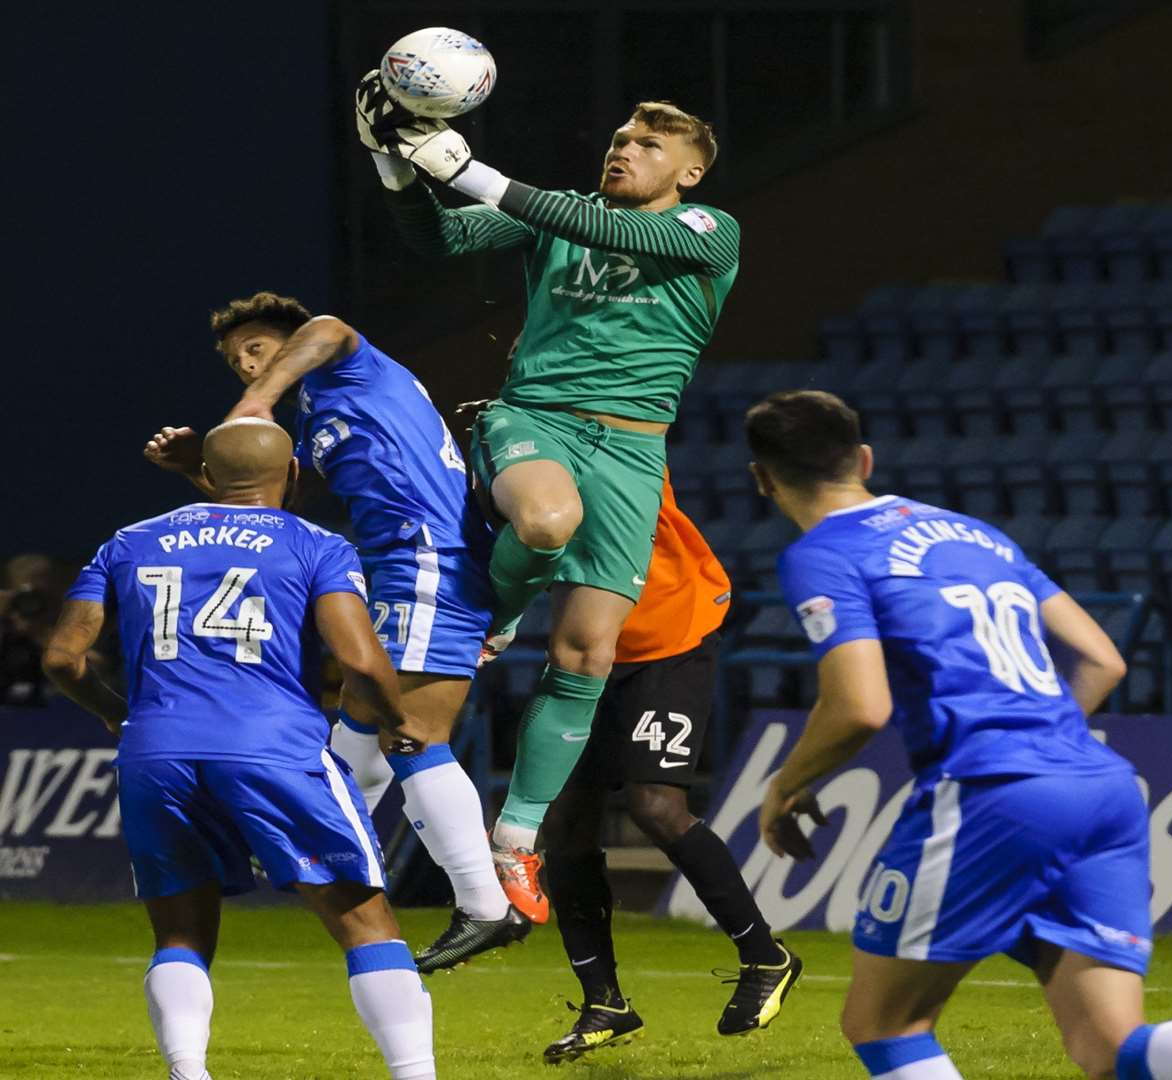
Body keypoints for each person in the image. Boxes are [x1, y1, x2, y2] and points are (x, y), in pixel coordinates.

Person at [748, 390, 1172, 1080]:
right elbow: (1104, 659)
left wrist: (786, 783)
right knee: (1108, 1048)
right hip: (1098, 783)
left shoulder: (824, 553)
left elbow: (859, 705)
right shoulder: (975, 534)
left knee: (884, 1024)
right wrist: (1045, 748)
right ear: (864, 459)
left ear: (763, 478)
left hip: (995, 787)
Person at [353, 72, 740, 919]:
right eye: (619, 141)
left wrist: (470, 168)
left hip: (636, 454)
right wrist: (396, 169)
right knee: (546, 519)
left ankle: (512, 842)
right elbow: (437, 241)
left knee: (588, 656)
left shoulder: (709, 230)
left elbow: (576, 222)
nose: (624, 151)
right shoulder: (554, 210)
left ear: (689, 174)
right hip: (538, 421)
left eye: (648, 145)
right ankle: (497, 614)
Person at [41, 418, 437, 1080]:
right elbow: (360, 661)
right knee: (368, 924)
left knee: (180, 935)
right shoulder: (317, 544)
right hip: (273, 745)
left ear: (208, 474)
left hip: (157, 751)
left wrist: (117, 713)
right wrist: (396, 717)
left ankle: (188, 1072)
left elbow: (61, 657)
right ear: (294, 474)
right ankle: (415, 1073)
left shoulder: (129, 541)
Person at [143, 292, 524, 972]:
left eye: (256, 349)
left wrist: (257, 398)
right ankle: (313, 855)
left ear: (290, 346)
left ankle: (485, 903)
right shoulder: (320, 413)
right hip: (396, 570)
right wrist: (193, 473)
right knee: (351, 751)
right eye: (236, 363)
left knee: (408, 736)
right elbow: (261, 507)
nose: (246, 366)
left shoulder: (348, 366)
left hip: (429, 559)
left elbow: (329, 327)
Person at [539, 472, 800, 1062]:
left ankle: (766, 956)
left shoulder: (617, 431)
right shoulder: (518, 443)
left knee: (655, 806)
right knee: (567, 823)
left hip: (667, 636)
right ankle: (603, 1001)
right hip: (587, 646)